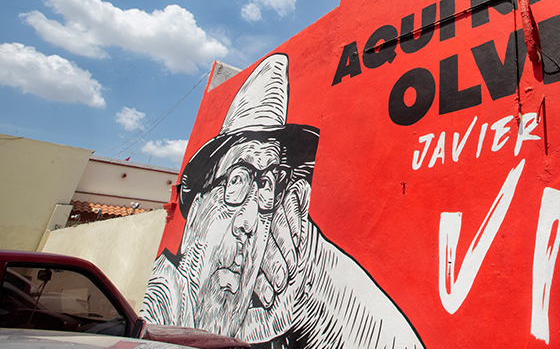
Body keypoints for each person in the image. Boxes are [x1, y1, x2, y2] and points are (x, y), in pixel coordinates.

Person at [141, 53, 423, 349]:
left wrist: (315, 277)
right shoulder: (152, 324)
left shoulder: (273, 328)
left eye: (266, 185)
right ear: (196, 211)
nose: (249, 222)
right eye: (236, 180)